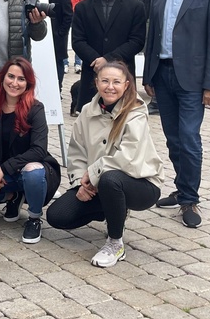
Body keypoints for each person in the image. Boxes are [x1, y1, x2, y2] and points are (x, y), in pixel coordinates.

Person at [143, 0, 210, 228]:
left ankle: (190, 199)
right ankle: (181, 188)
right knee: (173, 139)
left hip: (193, 79)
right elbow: (152, 34)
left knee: (190, 139)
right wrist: (149, 75)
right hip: (163, 75)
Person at [47, 62, 164, 267]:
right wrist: (79, 184)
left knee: (111, 179)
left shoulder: (135, 112)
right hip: (99, 184)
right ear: (97, 83)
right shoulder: (86, 111)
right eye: (105, 81)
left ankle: (115, 243)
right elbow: (77, 151)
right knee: (57, 216)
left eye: (116, 82)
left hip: (141, 184)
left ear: (126, 85)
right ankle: (114, 209)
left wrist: (93, 174)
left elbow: (128, 156)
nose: (110, 86)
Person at [0, 58, 61, 244]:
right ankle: (13, 195)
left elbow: (39, 150)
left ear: (28, 83)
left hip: (29, 169)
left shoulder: (36, 108)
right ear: (3, 77)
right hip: (2, 173)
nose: (14, 83)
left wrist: (4, 168)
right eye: (11, 76)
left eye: (21, 79)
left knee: (32, 170)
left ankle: (34, 218)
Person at [71, 0, 146, 114]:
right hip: (92, 75)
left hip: (123, 77)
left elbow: (137, 41)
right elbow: (78, 41)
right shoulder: (82, 8)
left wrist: (108, 60)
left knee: (123, 125)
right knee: (91, 127)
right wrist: (96, 61)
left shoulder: (135, 7)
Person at [37, 0, 73, 89]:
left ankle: (58, 87)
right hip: (45, 36)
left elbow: (68, 16)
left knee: (58, 63)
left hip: (57, 36)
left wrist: (60, 33)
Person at [59, 0, 86, 74]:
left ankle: (78, 63)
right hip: (64, 17)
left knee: (77, 39)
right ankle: (64, 62)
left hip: (76, 16)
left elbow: (83, 0)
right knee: (63, 40)